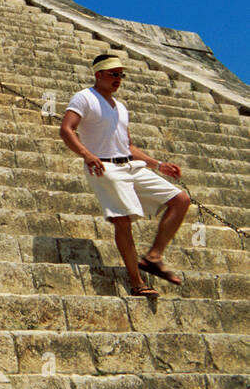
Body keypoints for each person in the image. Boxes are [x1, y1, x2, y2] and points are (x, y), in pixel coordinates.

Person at [59, 54, 190, 298]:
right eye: (114, 74)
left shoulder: (120, 107)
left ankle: (153, 257)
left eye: (121, 74)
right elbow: (66, 129)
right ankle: (136, 281)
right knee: (123, 220)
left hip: (130, 166)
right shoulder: (84, 97)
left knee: (180, 199)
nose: (119, 79)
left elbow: (127, 146)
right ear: (99, 74)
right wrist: (87, 155)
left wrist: (158, 164)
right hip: (104, 168)